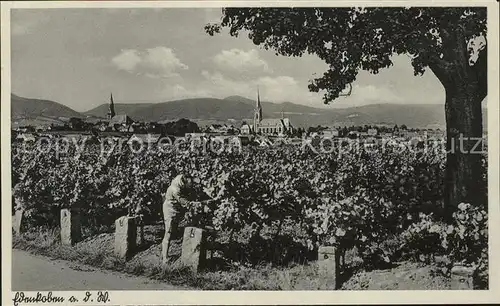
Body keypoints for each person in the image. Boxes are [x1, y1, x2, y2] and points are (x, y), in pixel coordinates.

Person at [161, 173, 214, 265]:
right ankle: (165, 259)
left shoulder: (183, 180)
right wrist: (203, 203)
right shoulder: (175, 190)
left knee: (191, 226)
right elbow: (186, 203)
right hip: (170, 210)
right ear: (184, 183)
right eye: (190, 184)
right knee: (168, 233)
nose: (191, 185)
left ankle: (190, 254)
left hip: (179, 208)